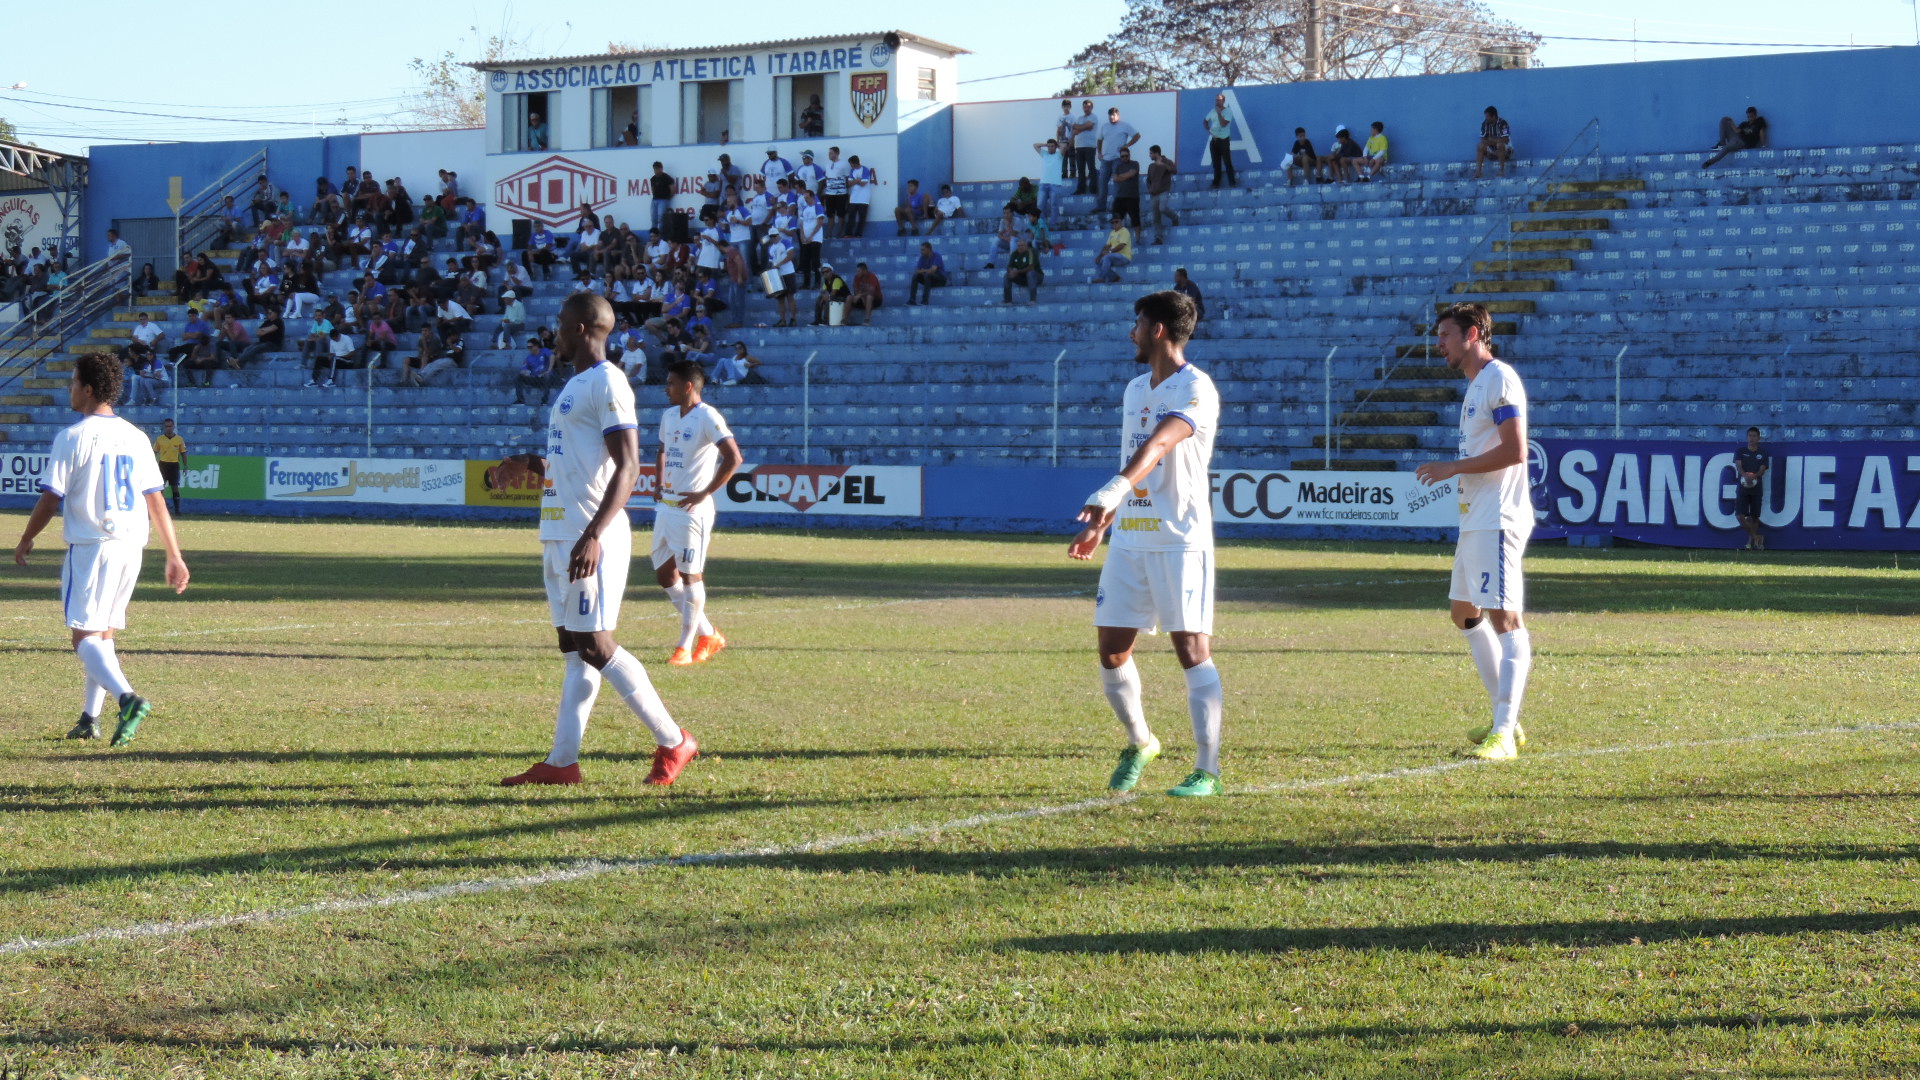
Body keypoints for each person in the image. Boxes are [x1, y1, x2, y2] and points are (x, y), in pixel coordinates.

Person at [493, 293, 699, 788]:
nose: (555, 331)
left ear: (582, 329)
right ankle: (563, 762)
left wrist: (593, 534)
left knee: (595, 643)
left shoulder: (608, 381)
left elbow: (629, 466)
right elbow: (581, 464)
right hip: (560, 531)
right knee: (574, 646)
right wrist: (529, 460)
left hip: (589, 537)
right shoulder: (577, 385)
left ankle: (674, 741)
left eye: (562, 322)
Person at [1067, 290, 1223, 798]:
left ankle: (1207, 769)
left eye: (1136, 323)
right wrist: (1103, 520)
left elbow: (1160, 443)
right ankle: (1141, 742)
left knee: (1192, 651)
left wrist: (1109, 488)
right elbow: (1134, 454)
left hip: (1180, 540)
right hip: (1130, 539)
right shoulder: (1136, 388)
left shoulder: (1197, 388)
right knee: (1111, 650)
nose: (1130, 331)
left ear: (1157, 329)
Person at [11, 354, 190, 746]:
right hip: (131, 546)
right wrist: (174, 554)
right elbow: (155, 500)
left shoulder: (72, 437)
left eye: (73, 382)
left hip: (93, 546)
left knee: (83, 638)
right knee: (103, 635)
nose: (69, 389)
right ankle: (90, 717)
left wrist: (26, 538)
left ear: (89, 388)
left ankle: (127, 698)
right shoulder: (136, 436)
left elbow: (49, 499)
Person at [1414, 302, 1533, 762]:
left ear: (1473, 334)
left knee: (1506, 621)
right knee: (1464, 613)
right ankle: (1508, 716)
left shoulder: (1499, 378)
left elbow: (1516, 450)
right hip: (1475, 517)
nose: (1437, 344)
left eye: (1445, 335)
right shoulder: (1475, 387)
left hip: (1497, 517)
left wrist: (1452, 468)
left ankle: (1503, 732)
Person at [653, 358, 743, 666]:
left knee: (691, 576)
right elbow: (663, 449)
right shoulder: (668, 415)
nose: (666, 389)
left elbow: (734, 457)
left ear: (688, 386)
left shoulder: (707, 417)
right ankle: (710, 634)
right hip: (666, 506)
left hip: (692, 511)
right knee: (665, 574)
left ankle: (684, 647)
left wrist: (705, 492)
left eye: (671, 384)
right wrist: (658, 480)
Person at [1096, 106, 1141, 212]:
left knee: (1118, 184)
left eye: (1114, 115)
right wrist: (1099, 153)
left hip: (1118, 159)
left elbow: (1137, 135)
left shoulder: (1125, 125)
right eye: (1110, 115)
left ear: (1118, 115)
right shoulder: (1104, 126)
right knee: (1102, 183)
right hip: (1105, 159)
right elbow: (1099, 140)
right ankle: (1101, 207)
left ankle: (1117, 207)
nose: (1112, 117)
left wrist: (1127, 145)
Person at [1735, 426, 1769, 550]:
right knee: (1740, 515)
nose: (1752, 438)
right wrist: (1745, 475)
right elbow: (1738, 466)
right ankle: (1756, 537)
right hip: (1743, 487)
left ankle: (1750, 542)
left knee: (1755, 516)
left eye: (1754, 436)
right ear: (1747, 437)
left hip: (1756, 488)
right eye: (1750, 436)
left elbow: (1762, 469)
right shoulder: (1740, 451)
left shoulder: (1763, 453)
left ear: (1758, 438)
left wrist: (1754, 476)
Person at [1704, 106, 1769, 169]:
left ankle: (1709, 162)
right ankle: (1722, 143)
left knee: (1727, 148)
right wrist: (1731, 121)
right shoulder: (1744, 123)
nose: (1750, 118)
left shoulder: (1759, 122)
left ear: (1755, 115)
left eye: (1751, 116)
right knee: (1723, 120)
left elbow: (1762, 132)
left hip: (1742, 143)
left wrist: (1764, 146)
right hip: (1736, 137)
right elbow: (1736, 131)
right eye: (1748, 117)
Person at [1203, 92, 1237, 187]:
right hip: (1214, 140)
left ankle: (1232, 182)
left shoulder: (1228, 111)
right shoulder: (1212, 111)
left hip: (1224, 140)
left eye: (1219, 100)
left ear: (1223, 101)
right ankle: (1216, 182)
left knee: (1227, 161)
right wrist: (1208, 129)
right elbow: (1205, 120)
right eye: (1216, 100)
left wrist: (1219, 113)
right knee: (1216, 163)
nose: (1217, 102)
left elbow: (1223, 124)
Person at [152, 419, 186, 516]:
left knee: (175, 488)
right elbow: (154, 452)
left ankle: (177, 510)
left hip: (174, 465)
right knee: (160, 488)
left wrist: (185, 466)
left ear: (173, 427)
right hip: (163, 465)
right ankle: (160, 510)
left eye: (170, 426)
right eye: (166, 426)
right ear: (164, 427)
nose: (168, 428)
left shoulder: (179, 439)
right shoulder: (160, 439)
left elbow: (183, 453)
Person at [1147, 145, 1178, 245]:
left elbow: (1174, 171)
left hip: (1164, 191)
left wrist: (1163, 165)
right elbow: (1148, 180)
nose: (1149, 155)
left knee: (1162, 208)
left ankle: (1175, 218)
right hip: (1153, 194)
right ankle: (1158, 238)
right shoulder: (1151, 166)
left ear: (1156, 153)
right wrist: (1150, 189)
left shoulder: (1167, 161)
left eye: (1151, 153)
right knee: (1156, 217)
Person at [514, 337, 556, 406]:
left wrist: (549, 370)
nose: (529, 349)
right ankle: (520, 400)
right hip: (535, 378)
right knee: (518, 377)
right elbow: (523, 369)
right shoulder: (529, 358)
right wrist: (525, 372)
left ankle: (544, 401)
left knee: (547, 376)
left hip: (546, 377)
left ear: (536, 346)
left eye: (530, 347)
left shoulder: (544, 351)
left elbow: (552, 356)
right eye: (528, 347)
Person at [1070, 99, 1099, 195]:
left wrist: (1079, 127)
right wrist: (1083, 127)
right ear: (1083, 107)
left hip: (1090, 146)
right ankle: (1081, 189)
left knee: (1091, 168)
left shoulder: (1094, 117)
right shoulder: (1079, 118)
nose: (1086, 108)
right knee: (1081, 169)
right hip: (1079, 146)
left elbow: (1089, 126)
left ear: (1092, 108)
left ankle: (1093, 189)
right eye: (1085, 107)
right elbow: (1074, 130)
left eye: (1088, 107)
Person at [1093, 215, 1133, 283]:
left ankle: (1101, 278)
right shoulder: (1112, 233)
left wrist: (1110, 252)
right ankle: (1114, 276)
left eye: (1116, 221)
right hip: (1114, 257)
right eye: (1112, 222)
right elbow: (1107, 246)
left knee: (1107, 257)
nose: (1114, 223)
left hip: (1124, 257)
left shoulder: (1124, 231)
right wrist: (1099, 256)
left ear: (1121, 222)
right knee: (1099, 262)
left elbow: (1121, 245)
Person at [1476, 106, 1513, 179]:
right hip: (1492, 152)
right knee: (1480, 146)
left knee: (1500, 145)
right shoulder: (1485, 124)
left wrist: (1492, 140)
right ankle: (1478, 172)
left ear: (1493, 117)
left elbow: (1506, 140)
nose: (1486, 118)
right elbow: (1483, 140)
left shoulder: (1503, 123)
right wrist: (1494, 141)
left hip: (1506, 152)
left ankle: (1501, 171)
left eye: (1487, 116)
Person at [1003, 238, 1043, 305]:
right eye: (1019, 245)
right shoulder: (1015, 253)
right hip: (1023, 278)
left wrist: (1017, 272)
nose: (1020, 247)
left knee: (1030, 273)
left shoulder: (1031, 252)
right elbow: (1009, 266)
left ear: (1026, 246)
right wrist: (1012, 271)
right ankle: (1007, 301)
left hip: (1036, 277)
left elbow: (1031, 267)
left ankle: (1033, 300)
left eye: (1022, 245)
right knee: (1007, 275)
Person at [1110, 149, 1142, 231]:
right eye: (1122, 156)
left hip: (1132, 196)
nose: (1124, 157)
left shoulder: (1135, 163)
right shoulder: (1118, 166)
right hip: (1120, 196)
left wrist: (1120, 176)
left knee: (1135, 219)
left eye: (1126, 156)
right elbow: (1115, 179)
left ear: (1129, 155)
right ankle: (1117, 238)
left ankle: (1138, 240)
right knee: (1116, 218)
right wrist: (1126, 175)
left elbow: (1131, 174)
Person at [844, 154, 875, 238]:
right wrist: (858, 180)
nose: (850, 165)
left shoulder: (865, 169)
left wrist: (855, 181)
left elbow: (863, 183)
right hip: (854, 198)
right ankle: (848, 233)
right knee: (851, 216)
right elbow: (849, 183)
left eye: (850, 163)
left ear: (854, 163)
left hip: (864, 198)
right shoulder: (852, 171)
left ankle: (858, 234)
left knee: (862, 217)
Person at [647, 162, 675, 231]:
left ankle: (661, 234)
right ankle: (654, 233)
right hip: (654, 200)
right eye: (654, 169)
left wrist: (668, 198)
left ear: (661, 169)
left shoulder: (667, 178)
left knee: (661, 218)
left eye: (657, 169)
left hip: (663, 200)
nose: (655, 170)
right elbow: (653, 190)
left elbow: (673, 190)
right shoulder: (653, 179)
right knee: (653, 218)